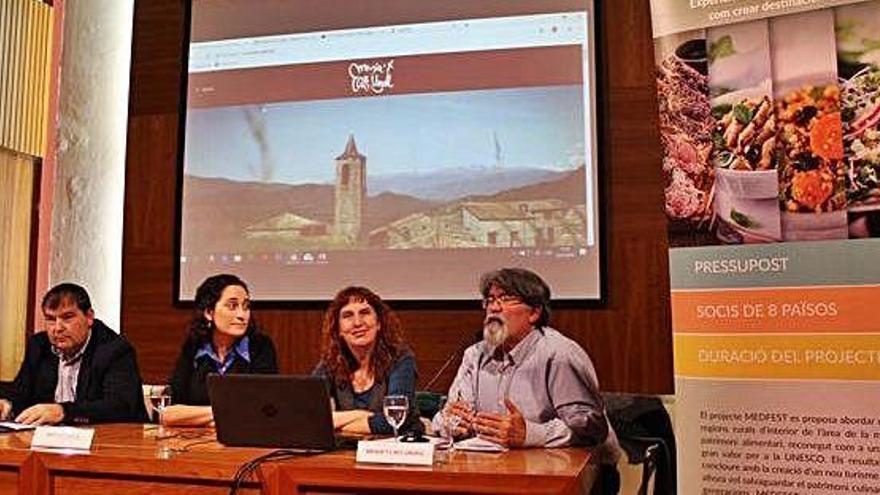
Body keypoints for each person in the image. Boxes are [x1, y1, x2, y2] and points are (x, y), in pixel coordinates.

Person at [434, 268, 620, 459]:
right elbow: (444, 419)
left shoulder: (558, 354)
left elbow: (591, 427)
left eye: (505, 299)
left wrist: (530, 434)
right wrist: (453, 422)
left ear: (534, 312)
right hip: (497, 468)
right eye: (490, 300)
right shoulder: (474, 355)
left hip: (580, 472)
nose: (494, 308)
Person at [0, 283, 148, 425]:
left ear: (89, 317)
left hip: (112, 442)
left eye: (67, 317)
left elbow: (119, 407)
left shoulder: (114, 350)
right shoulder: (39, 346)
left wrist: (64, 412)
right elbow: (21, 391)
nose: (57, 328)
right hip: (51, 440)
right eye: (51, 319)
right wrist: (7, 403)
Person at [162, 274, 278, 426]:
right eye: (232, 306)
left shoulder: (260, 347)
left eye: (246, 306)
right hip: (197, 443)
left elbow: (262, 409)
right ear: (209, 312)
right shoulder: (194, 347)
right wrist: (220, 414)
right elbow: (169, 413)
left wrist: (198, 416)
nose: (242, 315)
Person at [313, 286, 422, 436]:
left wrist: (335, 423)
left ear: (378, 323)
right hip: (348, 452)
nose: (357, 323)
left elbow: (395, 421)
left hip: (399, 450)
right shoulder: (331, 363)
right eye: (348, 315)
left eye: (365, 313)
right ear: (338, 329)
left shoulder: (400, 359)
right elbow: (307, 416)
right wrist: (359, 414)